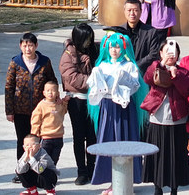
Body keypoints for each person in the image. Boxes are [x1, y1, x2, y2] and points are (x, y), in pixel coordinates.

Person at [88, 32, 147, 191]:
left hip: (124, 107)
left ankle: (125, 180)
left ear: (124, 48)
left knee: (125, 140)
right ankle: (111, 180)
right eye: (111, 46)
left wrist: (123, 81)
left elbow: (135, 86)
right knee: (107, 140)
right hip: (107, 107)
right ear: (106, 47)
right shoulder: (101, 66)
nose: (114, 50)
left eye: (118, 47)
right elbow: (94, 89)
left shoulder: (130, 66)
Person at [142, 40, 189, 195]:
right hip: (157, 119)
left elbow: (188, 89)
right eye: (167, 51)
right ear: (161, 54)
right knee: (157, 156)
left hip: (177, 120)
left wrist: (175, 76)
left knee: (175, 157)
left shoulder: (183, 72)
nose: (170, 55)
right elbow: (147, 78)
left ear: (178, 55)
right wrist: (160, 65)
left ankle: (174, 189)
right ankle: (157, 188)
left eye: (173, 52)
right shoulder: (156, 68)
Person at [6, 32, 58, 170]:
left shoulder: (44, 62)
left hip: (40, 109)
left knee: (38, 141)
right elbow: (9, 87)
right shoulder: (15, 63)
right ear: (20, 46)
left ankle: (38, 168)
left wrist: (54, 100)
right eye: (25, 46)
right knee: (22, 141)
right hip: (20, 110)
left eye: (30, 45)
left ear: (36, 46)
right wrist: (9, 111)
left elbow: (52, 81)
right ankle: (22, 170)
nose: (27, 49)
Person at [59, 23, 98, 185]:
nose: (89, 41)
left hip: (94, 100)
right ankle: (81, 171)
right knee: (79, 136)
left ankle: (92, 168)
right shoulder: (68, 55)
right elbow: (72, 78)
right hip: (77, 102)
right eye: (86, 38)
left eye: (91, 38)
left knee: (92, 136)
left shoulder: (94, 50)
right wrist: (95, 80)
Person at [121, 0, 167, 73]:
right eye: (129, 10)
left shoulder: (151, 31)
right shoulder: (119, 31)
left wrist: (136, 65)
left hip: (143, 73)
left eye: (135, 10)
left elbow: (153, 54)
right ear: (124, 11)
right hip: (122, 71)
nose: (132, 13)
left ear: (141, 11)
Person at [31, 81, 68, 167]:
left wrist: (64, 102)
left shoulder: (59, 104)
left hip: (58, 137)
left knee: (55, 159)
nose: (50, 92)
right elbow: (35, 121)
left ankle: (51, 174)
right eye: (48, 90)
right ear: (43, 93)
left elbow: (64, 111)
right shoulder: (41, 106)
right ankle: (45, 175)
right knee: (45, 158)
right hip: (46, 138)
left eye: (53, 90)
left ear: (58, 93)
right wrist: (35, 136)